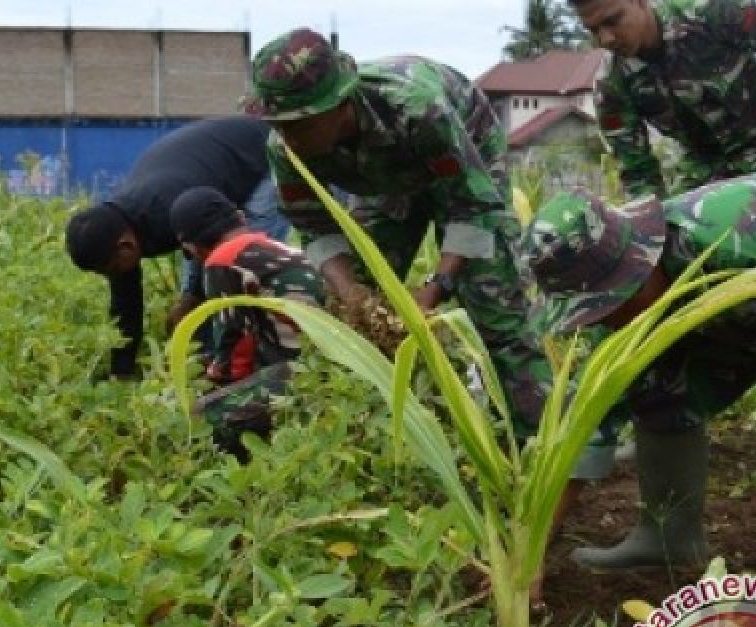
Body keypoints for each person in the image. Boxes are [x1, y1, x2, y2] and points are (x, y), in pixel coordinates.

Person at [521, 170, 756, 572]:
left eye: (611, 303)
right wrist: (532, 548)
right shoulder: (626, 314)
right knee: (653, 381)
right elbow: (593, 419)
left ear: (639, 265)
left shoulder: (747, 238)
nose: (607, 319)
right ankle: (668, 539)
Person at [570, 0, 756, 471]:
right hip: (709, 179)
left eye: (613, 21)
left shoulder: (713, 13)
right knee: (671, 287)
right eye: (594, 30)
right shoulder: (613, 87)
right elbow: (639, 175)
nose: (607, 38)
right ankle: (662, 425)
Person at [242, 27, 549, 436]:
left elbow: (473, 206)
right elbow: (313, 227)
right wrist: (351, 294)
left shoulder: (419, 111)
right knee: (359, 315)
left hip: (463, 159)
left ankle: (537, 438)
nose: (287, 138)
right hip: (386, 185)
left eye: (299, 124)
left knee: (493, 303)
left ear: (338, 106)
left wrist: (436, 287)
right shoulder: (286, 148)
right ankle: (387, 431)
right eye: (278, 125)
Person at [65, 117, 288, 378]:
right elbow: (126, 306)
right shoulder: (120, 230)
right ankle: (204, 357)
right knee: (199, 293)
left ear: (125, 246)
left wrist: (191, 299)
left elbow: (215, 252)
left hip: (259, 157)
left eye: (110, 270)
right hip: (205, 181)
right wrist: (120, 374)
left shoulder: (164, 209)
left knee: (243, 265)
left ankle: (254, 364)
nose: (112, 276)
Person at [167, 186, 325, 460]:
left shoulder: (223, 261)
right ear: (240, 217)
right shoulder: (278, 249)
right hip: (322, 367)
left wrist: (216, 387)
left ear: (190, 246)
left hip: (298, 375)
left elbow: (235, 345)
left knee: (194, 420)